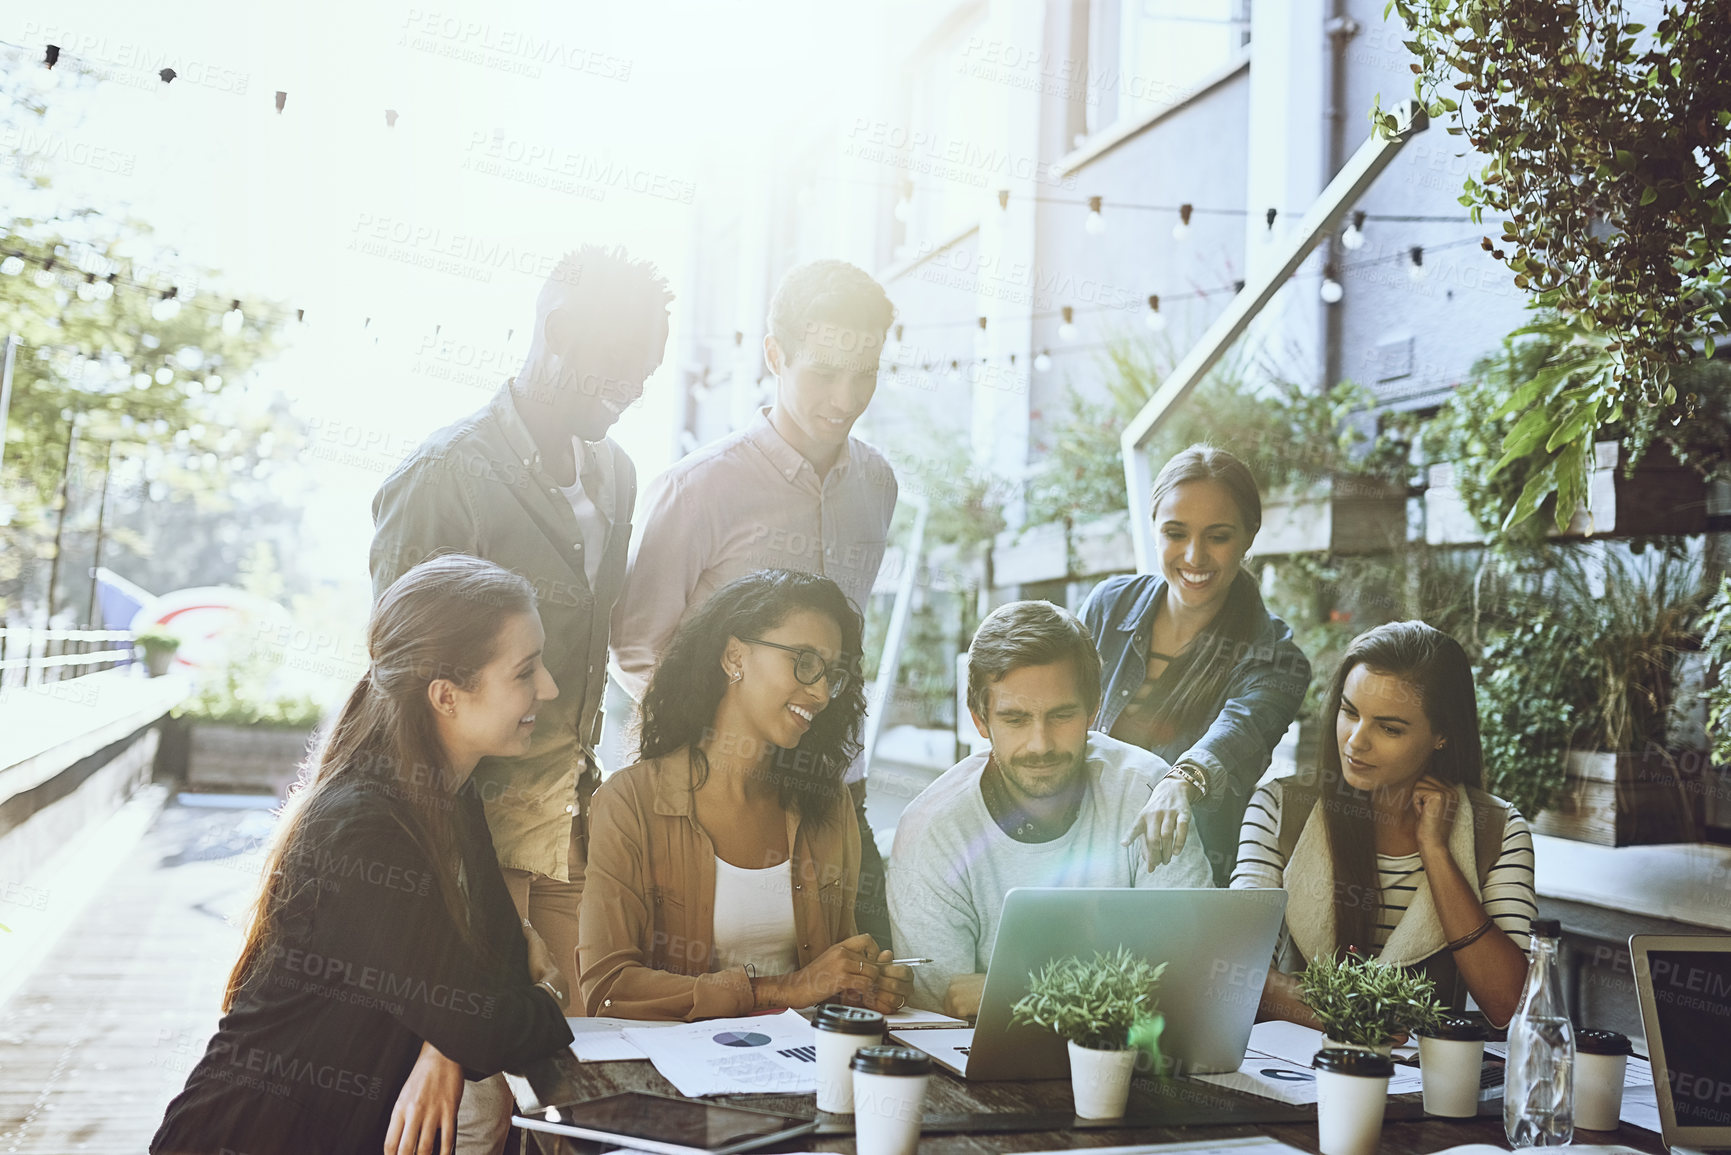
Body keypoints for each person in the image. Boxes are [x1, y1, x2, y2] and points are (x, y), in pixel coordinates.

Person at [152, 556, 574, 1155]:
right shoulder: (364, 829)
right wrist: (541, 1000)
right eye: (525, 671)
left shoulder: (450, 795)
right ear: (446, 696)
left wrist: (442, 1045)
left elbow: (494, 960)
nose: (549, 688)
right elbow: (487, 1019)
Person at [369, 244, 674, 1024]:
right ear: (560, 330)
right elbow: (403, 686)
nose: (636, 387)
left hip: (570, 822)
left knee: (576, 1055)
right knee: (471, 1094)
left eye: (650, 367)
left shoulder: (619, 473)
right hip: (470, 834)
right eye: (623, 362)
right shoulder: (442, 475)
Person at [610, 258, 899, 945]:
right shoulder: (701, 488)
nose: (845, 397)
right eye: (824, 372)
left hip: (835, 786)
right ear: (775, 355)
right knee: (706, 1003)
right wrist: (720, 748)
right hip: (714, 793)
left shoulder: (878, 484)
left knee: (867, 980)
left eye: (865, 375)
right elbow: (635, 646)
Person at [579, 570, 913, 1020]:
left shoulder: (828, 802)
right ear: (735, 656)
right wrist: (783, 989)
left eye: (830, 674)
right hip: (677, 1079)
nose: (819, 692)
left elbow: (828, 977)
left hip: (805, 1065)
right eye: (804, 661)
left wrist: (860, 985)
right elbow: (608, 989)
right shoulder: (630, 803)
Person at [887, 600, 1213, 1018]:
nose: (1040, 744)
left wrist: (1018, 991)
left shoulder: (1147, 790)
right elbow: (947, 1020)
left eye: (1061, 715)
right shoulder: (931, 832)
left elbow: (1196, 979)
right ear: (980, 721)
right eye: (1016, 719)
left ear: (1093, 710)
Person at [1232, 620, 1536, 1027]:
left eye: (1389, 728)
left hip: (1427, 1082)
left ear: (1441, 735)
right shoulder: (1279, 808)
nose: (1356, 741)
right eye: (1349, 712)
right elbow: (1238, 972)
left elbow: (1512, 1004)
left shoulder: (1497, 829)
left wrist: (1437, 852)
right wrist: (1356, 1020)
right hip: (1296, 1071)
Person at [1080, 444, 1312, 886]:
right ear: (1153, 529)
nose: (1193, 556)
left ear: (1249, 535)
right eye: (1175, 533)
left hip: (1184, 881)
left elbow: (1238, 731)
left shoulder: (1276, 658)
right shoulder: (1108, 606)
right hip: (1083, 864)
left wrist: (1180, 781)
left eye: (1218, 536)